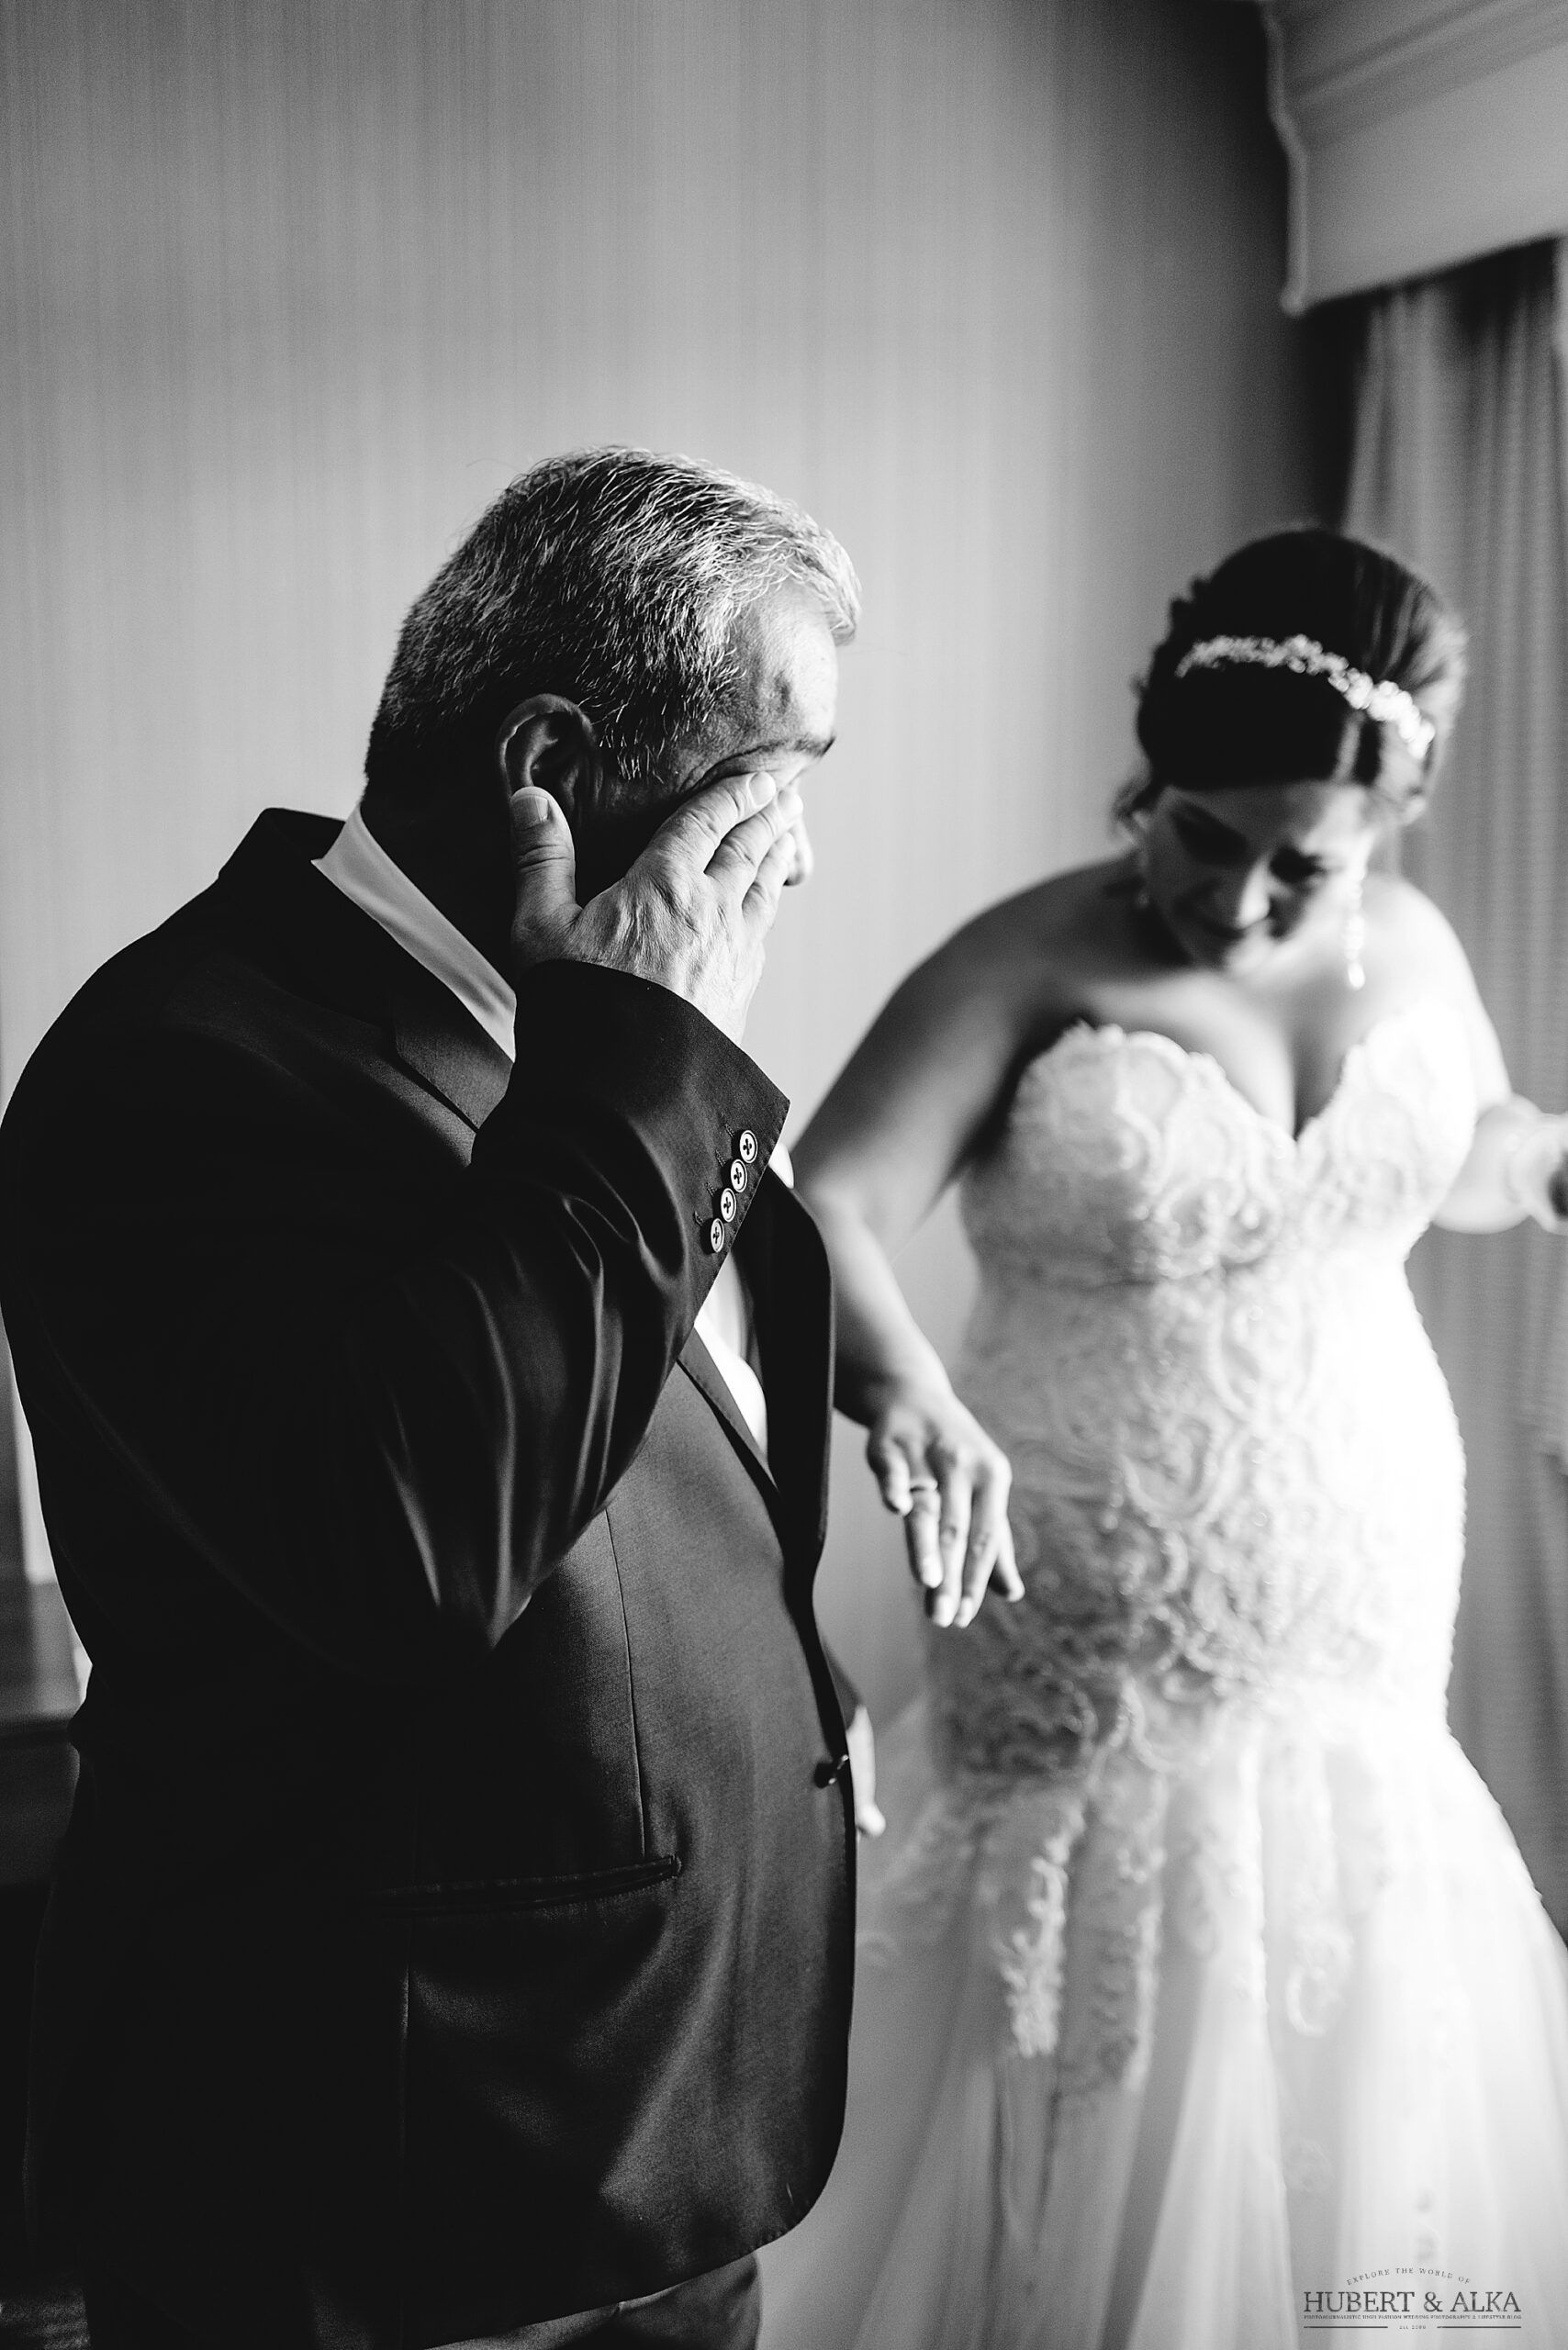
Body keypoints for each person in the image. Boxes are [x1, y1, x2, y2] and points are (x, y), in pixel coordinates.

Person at [0, 446, 875, 2350]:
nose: (795, 857)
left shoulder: (580, 1039)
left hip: (660, 2120)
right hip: (386, 2177)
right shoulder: (178, 1067)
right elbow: (414, 1546)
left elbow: (678, 1402)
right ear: (551, 765)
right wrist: (640, 1059)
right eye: (768, 785)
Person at [757, 527, 1568, 2349]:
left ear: (1388, 823)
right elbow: (823, 1202)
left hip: (1360, 1632)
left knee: (1350, 2055)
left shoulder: (1409, 946)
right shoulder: (1030, 953)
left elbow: (1457, 1146)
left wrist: (1545, 1161)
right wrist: (905, 1388)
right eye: (1201, 833)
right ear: (1147, 778)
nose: (1242, 897)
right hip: (1082, 1655)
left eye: (1305, 862)